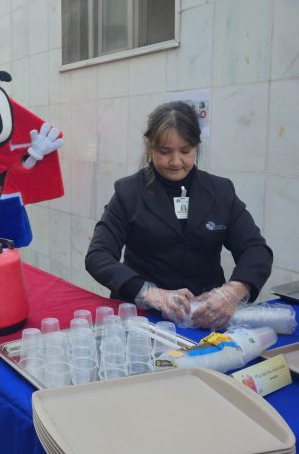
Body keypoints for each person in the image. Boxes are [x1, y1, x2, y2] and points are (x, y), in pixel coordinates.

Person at [85, 101, 273, 329]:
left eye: (185, 151)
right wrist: (150, 293)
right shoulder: (129, 193)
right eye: (165, 152)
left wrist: (233, 291)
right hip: (143, 319)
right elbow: (98, 255)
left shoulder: (220, 191)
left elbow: (256, 250)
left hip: (207, 317)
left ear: (196, 146)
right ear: (150, 146)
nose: (176, 162)